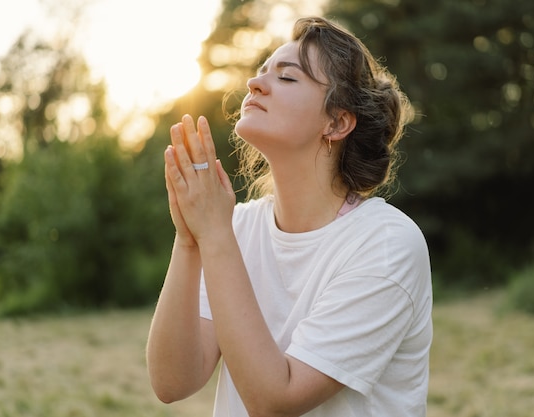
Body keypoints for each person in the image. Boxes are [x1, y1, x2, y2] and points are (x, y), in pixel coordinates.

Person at [146, 16, 433, 417]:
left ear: (337, 122)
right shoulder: (236, 228)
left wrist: (212, 234)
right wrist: (189, 238)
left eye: (287, 78)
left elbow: (275, 400)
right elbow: (172, 382)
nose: (255, 84)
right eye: (261, 72)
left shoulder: (385, 245)